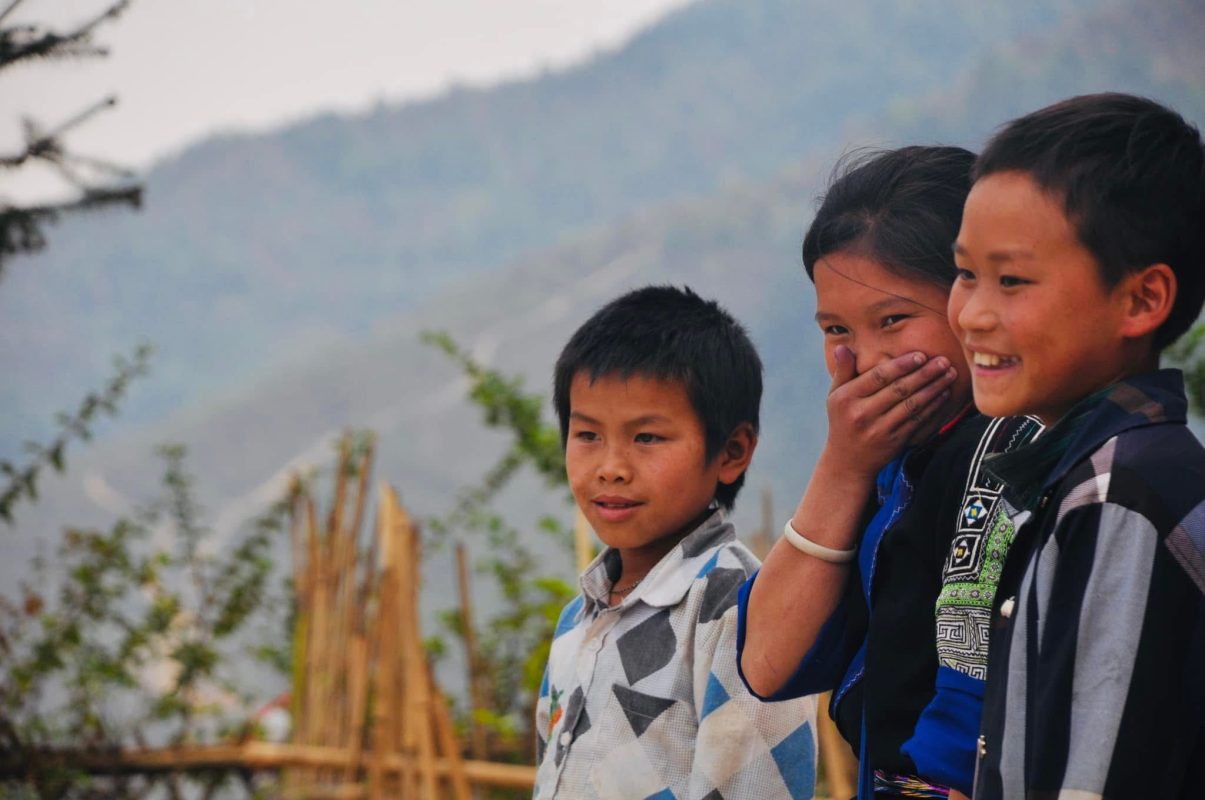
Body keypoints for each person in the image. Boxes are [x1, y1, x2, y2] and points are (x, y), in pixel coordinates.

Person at [737, 146, 1040, 799]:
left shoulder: (1003, 452)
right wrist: (842, 467)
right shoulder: (892, 470)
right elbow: (766, 662)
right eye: (836, 329)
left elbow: (968, 667)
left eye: (893, 320)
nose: (866, 359)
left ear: (974, 297)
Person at [949, 92, 1205, 800]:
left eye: (1012, 281)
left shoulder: (1122, 496)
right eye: (965, 273)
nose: (970, 313)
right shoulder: (1084, 480)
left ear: (1139, 301)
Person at [533, 285, 818, 800]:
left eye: (647, 438)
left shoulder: (741, 612)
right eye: (588, 435)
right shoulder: (579, 620)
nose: (611, 468)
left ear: (731, 451)